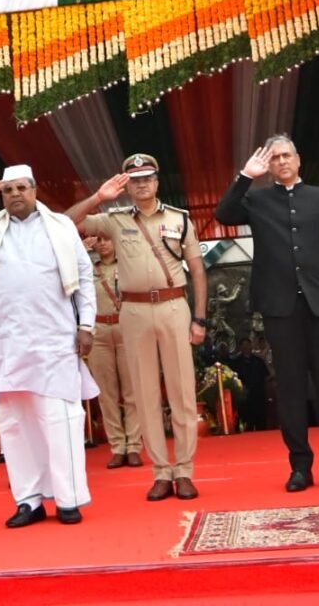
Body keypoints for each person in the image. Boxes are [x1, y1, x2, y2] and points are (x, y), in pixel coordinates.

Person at [0, 164, 97, 527]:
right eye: (8, 190)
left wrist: (86, 325)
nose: (14, 194)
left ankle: (69, 500)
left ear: (34, 190)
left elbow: (85, 276)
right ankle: (28, 500)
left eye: (21, 188)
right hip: (5, 344)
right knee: (14, 426)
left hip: (53, 340)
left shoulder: (61, 226)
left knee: (60, 420)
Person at [215, 134, 319, 492]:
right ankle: (300, 466)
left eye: (286, 155)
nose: (281, 161)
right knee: (290, 387)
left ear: (298, 159)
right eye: (274, 157)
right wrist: (245, 176)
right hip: (280, 306)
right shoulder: (257, 199)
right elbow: (224, 214)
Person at [68, 153, 207, 502]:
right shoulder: (115, 220)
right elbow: (66, 223)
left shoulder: (179, 219)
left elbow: (197, 270)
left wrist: (199, 318)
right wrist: (98, 197)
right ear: (126, 186)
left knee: (182, 392)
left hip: (174, 305)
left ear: (157, 182)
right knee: (144, 394)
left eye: (147, 178)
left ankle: (184, 470)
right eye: (135, 180)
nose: (142, 184)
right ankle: (161, 472)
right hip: (133, 310)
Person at [85, 235, 143, 469]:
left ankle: (134, 446)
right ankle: (117, 447)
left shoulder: (128, 264)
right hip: (98, 330)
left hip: (126, 327)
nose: (103, 244)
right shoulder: (87, 267)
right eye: (98, 240)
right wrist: (81, 249)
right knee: (106, 394)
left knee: (132, 391)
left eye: (107, 239)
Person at [230, 337, 270, 431]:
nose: (246, 347)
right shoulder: (236, 362)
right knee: (247, 424)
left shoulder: (258, 360)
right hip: (244, 397)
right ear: (240, 348)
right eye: (244, 345)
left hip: (258, 395)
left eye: (248, 345)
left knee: (261, 423)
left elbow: (266, 376)